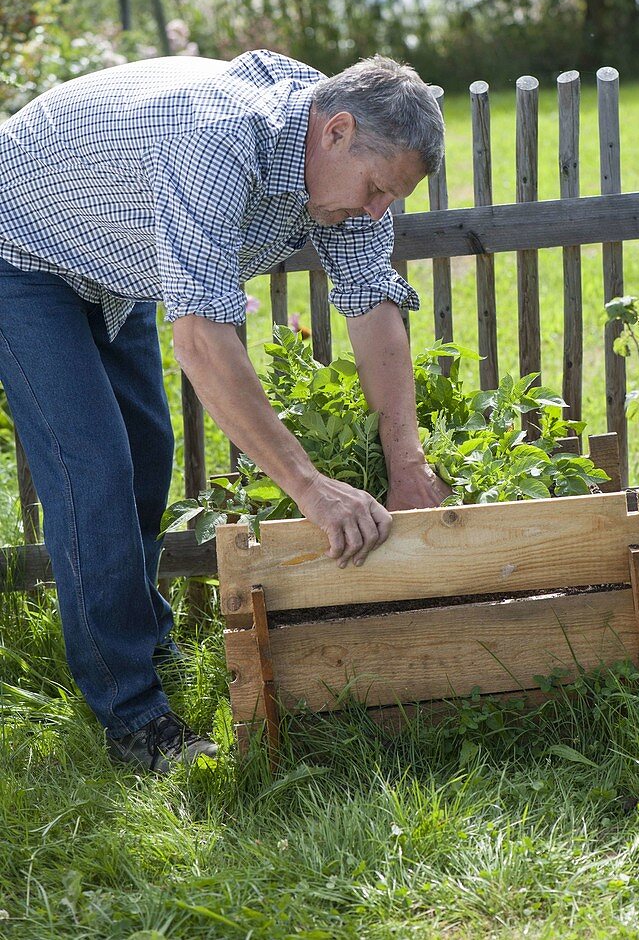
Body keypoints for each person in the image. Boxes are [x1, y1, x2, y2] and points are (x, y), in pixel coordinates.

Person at [0, 48, 450, 773]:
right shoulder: (219, 139)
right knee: (95, 474)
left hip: (111, 254)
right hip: (18, 247)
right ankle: (133, 720)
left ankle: (139, 639)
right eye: (374, 188)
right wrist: (310, 488)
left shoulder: (345, 165)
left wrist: (408, 462)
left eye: (390, 198)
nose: (376, 210)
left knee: (147, 462)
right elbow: (203, 338)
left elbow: (371, 301)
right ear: (334, 131)